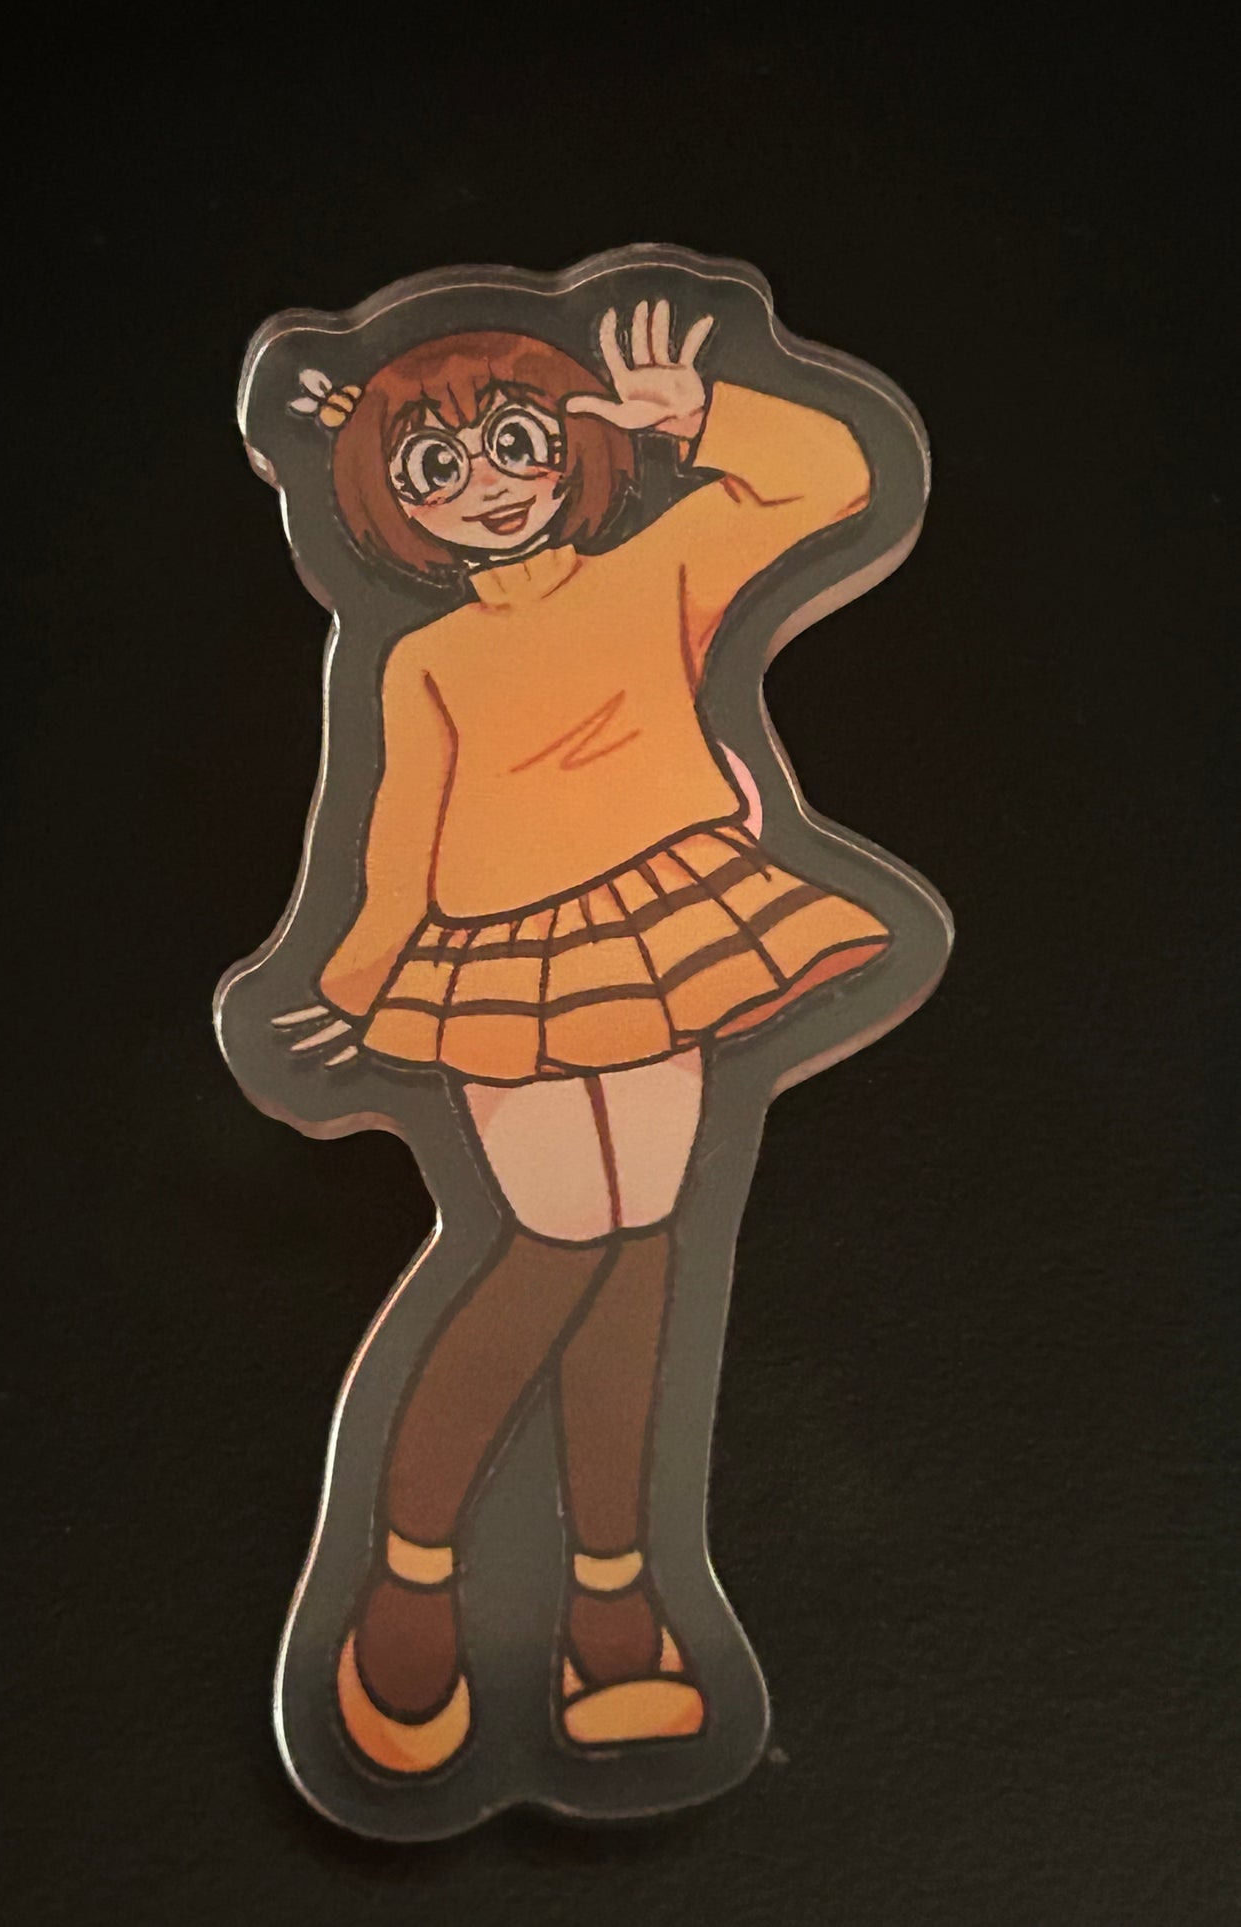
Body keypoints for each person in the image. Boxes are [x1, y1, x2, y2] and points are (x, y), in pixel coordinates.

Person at [274, 300, 889, 1775]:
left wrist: (697, 417)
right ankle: (406, 1579)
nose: (486, 484)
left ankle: (614, 1603)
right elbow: (399, 847)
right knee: (555, 1245)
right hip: (506, 965)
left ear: (573, 445)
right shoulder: (424, 660)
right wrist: (353, 989)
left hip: (669, 929)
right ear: (390, 505)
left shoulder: (659, 565)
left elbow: (834, 483)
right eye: (434, 468)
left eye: (514, 441)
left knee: (642, 1240)